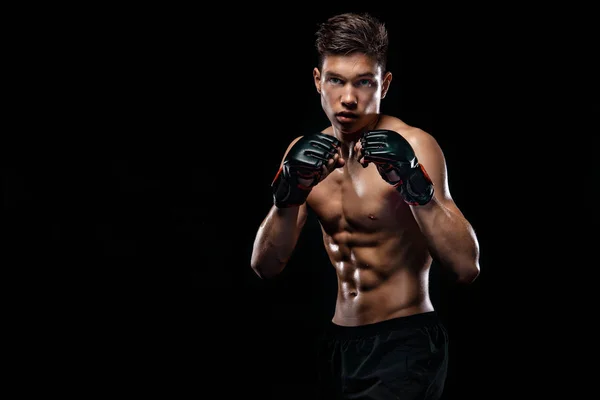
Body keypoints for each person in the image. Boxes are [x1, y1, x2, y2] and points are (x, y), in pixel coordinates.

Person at [250, 11, 480, 399]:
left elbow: (466, 267)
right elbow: (265, 266)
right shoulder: (302, 152)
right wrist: (286, 197)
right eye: (336, 80)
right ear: (318, 81)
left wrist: (414, 186)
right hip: (337, 344)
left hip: (405, 342)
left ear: (384, 84)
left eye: (364, 82)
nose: (349, 98)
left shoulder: (416, 145)